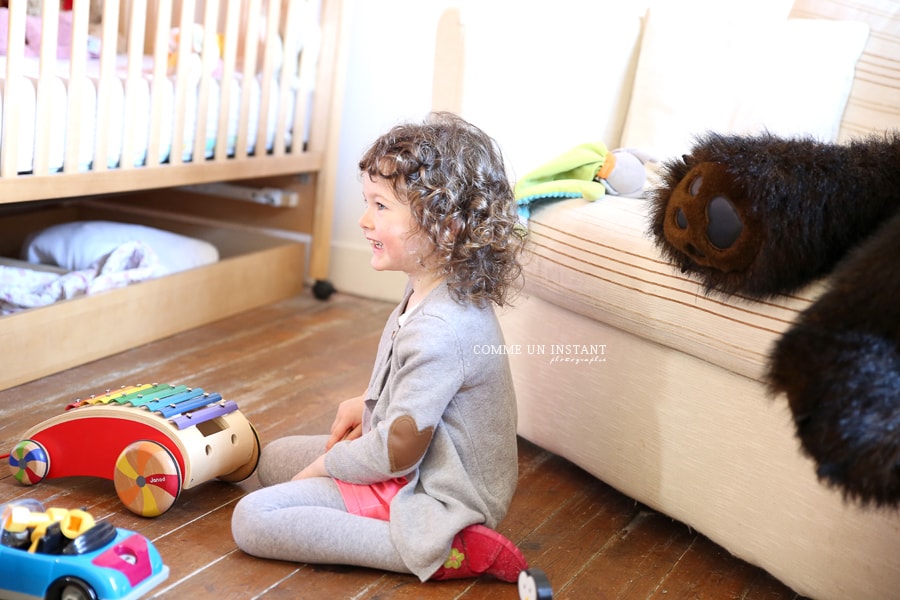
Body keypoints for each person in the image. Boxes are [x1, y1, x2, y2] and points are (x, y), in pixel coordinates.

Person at [231, 112, 528, 583]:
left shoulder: (441, 328)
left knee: (253, 519)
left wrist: (328, 464)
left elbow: (397, 451)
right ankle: (378, 518)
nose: (364, 220)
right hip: (418, 461)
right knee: (275, 458)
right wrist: (364, 403)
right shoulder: (431, 287)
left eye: (382, 207)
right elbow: (415, 398)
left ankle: (444, 548)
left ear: (445, 227)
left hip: (434, 492)